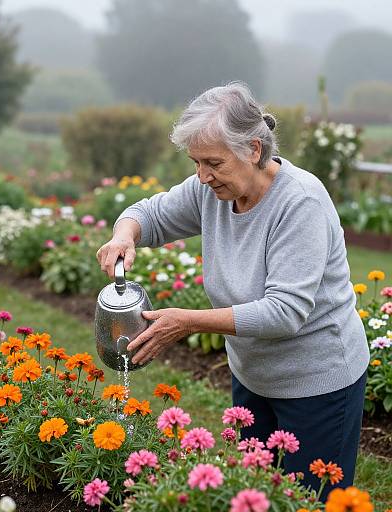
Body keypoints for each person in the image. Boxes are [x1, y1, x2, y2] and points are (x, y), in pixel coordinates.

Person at [96, 82, 369, 500]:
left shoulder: (301, 203)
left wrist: (187, 322)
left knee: (310, 503)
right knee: (252, 498)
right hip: (253, 377)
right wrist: (123, 236)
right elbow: (146, 213)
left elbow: (285, 311)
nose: (204, 176)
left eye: (213, 163)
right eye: (196, 163)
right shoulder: (213, 193)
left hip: (318, 383)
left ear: (254, 150)